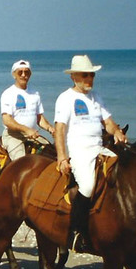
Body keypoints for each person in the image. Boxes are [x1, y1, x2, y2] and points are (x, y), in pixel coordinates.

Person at [54, 54, 127, 251]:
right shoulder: (66, 98)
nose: (89, 79)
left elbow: (108, 123)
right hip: (80, 150)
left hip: (99, 147)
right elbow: (60, 129)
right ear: (74, 77)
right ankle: (76, 233)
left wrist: (118, 132)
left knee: (124, 172)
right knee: (86, 186)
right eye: (85, 75)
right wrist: (61, 157)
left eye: (92, 75)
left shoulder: (96, 98)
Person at [0, 59, 54, 160]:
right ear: (14, 75)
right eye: (20, 72)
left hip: (32, 135)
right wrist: (26, 129)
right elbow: (7, 120)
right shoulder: (8, 94)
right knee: (21, 163)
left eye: (27, 72)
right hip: (13, 136)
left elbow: (39, 118)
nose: (23, 75)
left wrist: (50, 129)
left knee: (52, 153)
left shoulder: (35, 94)